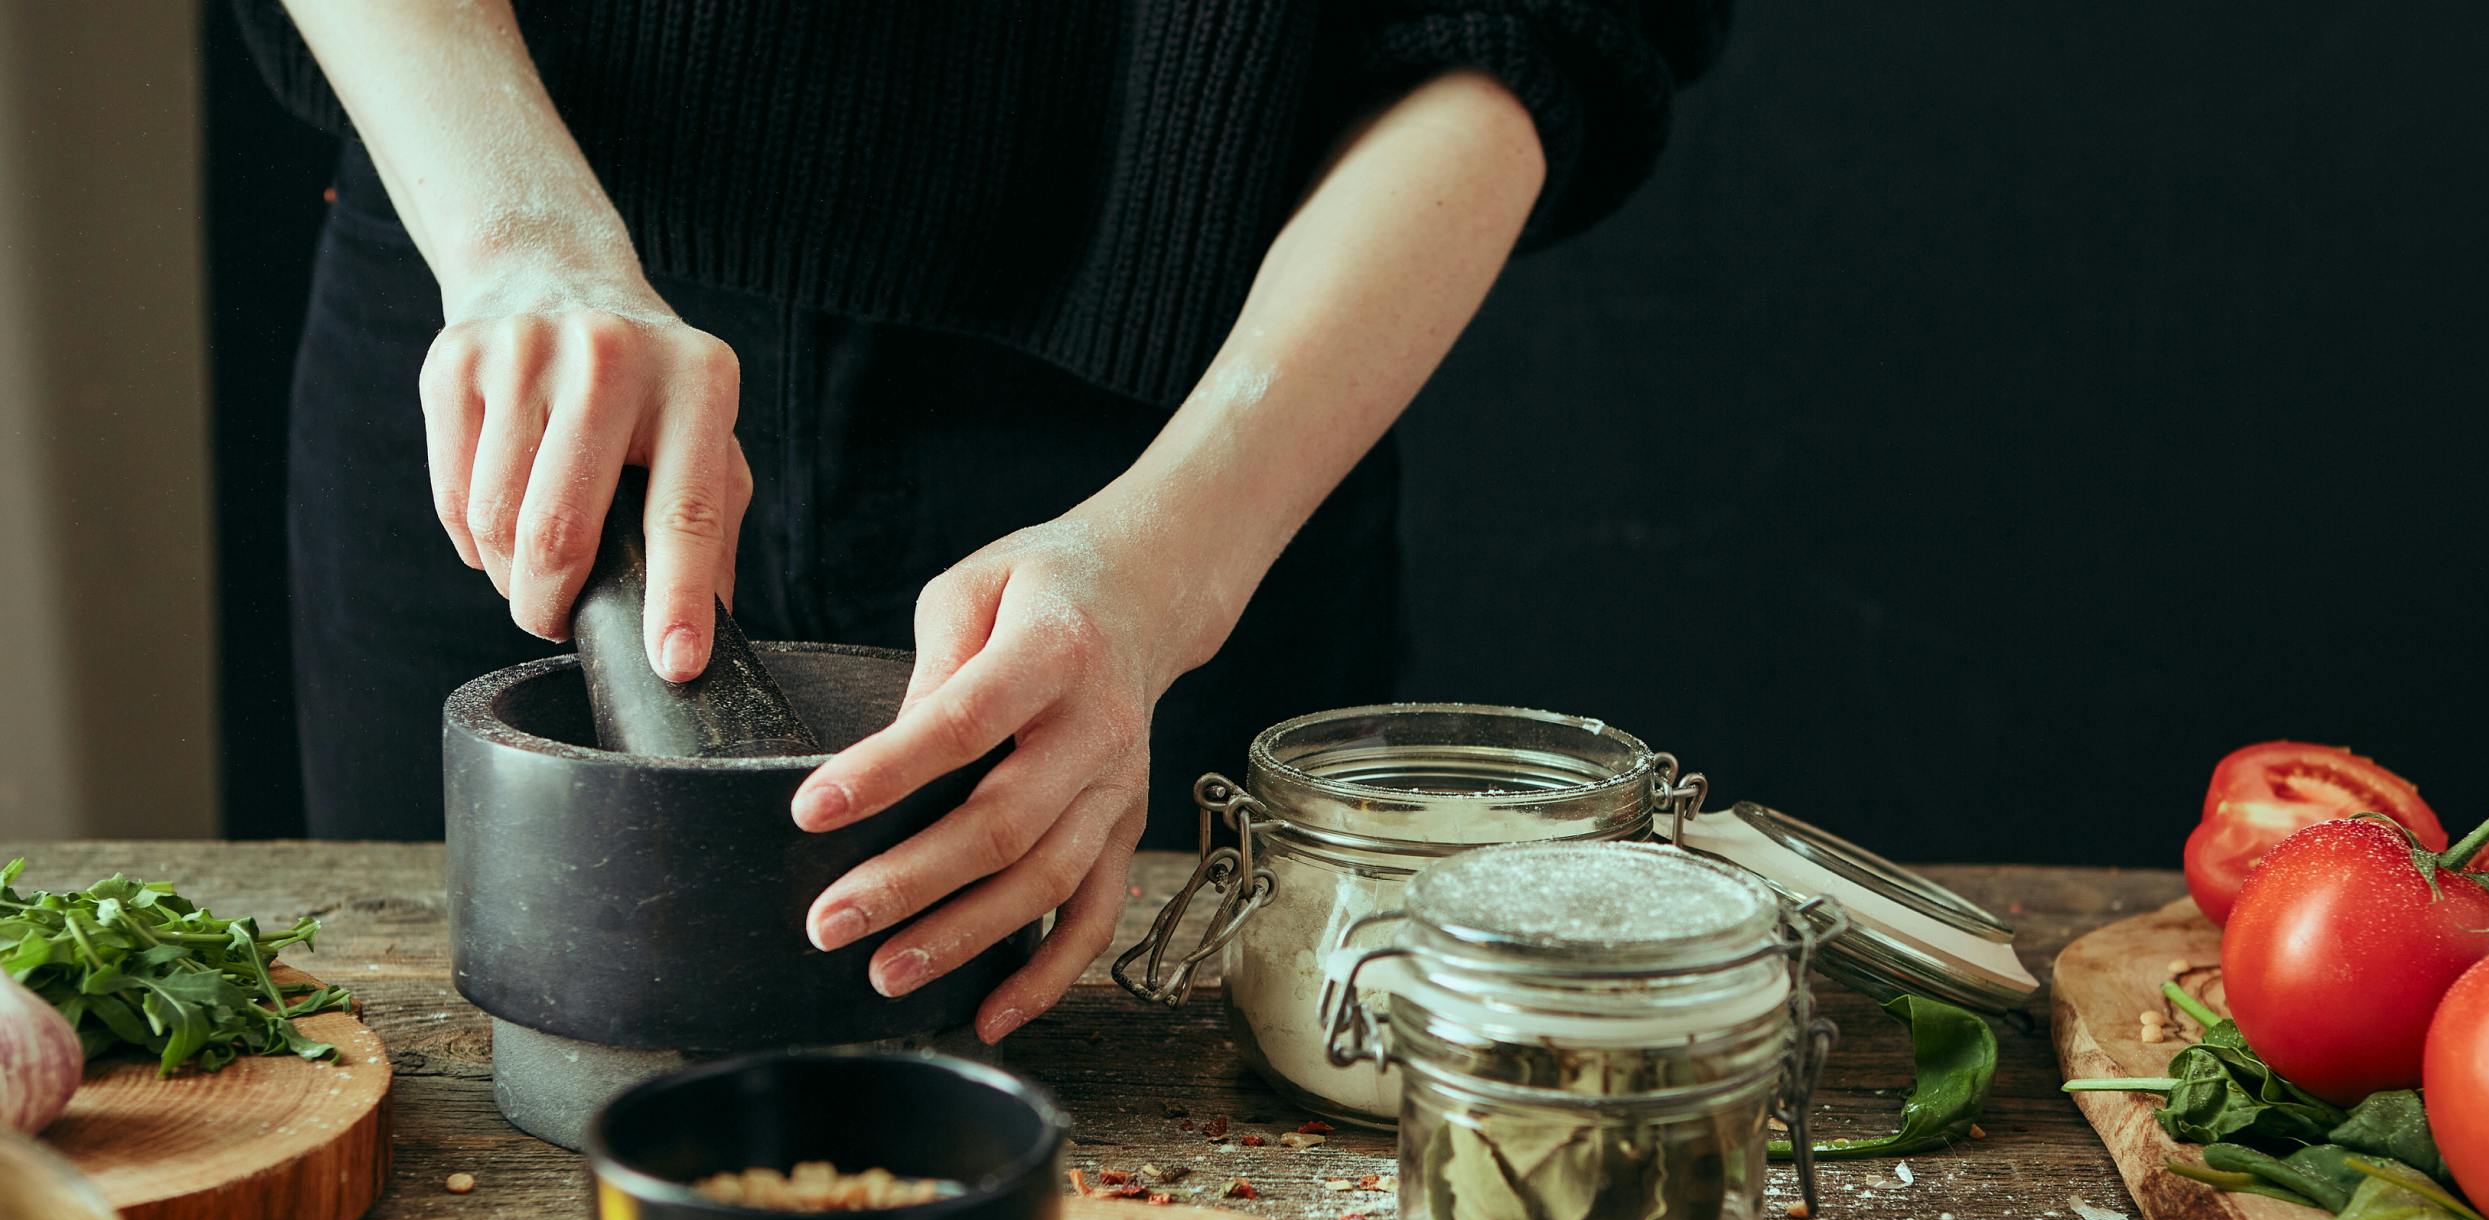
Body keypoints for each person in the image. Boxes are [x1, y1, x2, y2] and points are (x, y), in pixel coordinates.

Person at [239, 0, 1724, 1042]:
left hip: (1193, 419)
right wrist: (516, 238)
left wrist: (1176, 563)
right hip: (509, 302)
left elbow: (1541, 19)